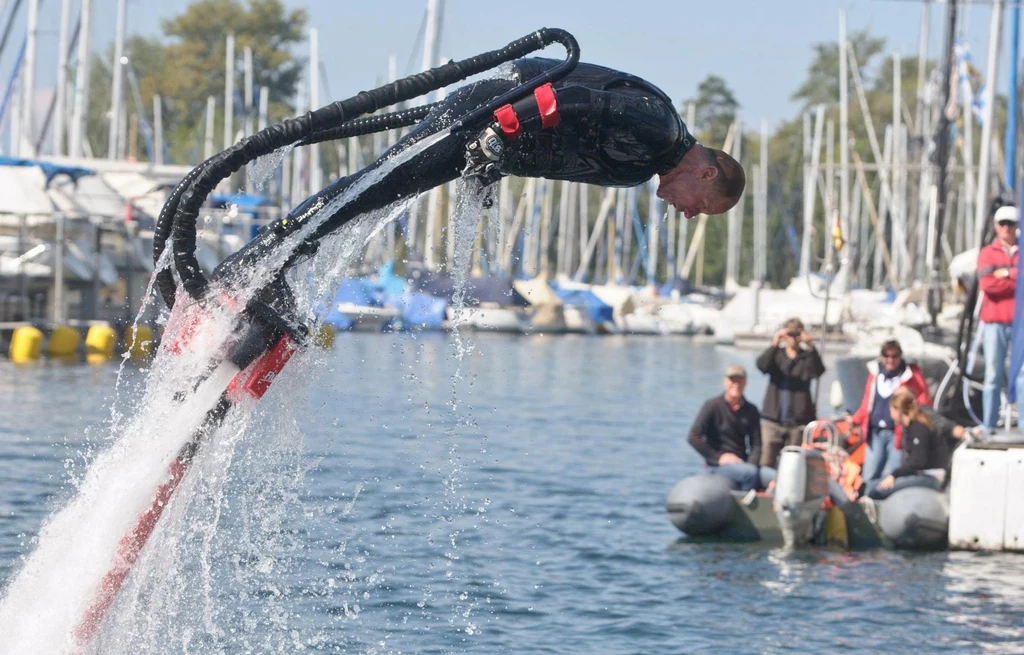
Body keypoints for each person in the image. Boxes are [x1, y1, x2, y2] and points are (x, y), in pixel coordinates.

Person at [217, 57, 745, 276]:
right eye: (704, 209)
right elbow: (573, 100)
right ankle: (255, 264)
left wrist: (492, 169)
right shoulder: (660, 127)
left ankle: (277, 266)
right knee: (374, 185)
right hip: (491, 107)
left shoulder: (636, 170)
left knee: (378, 196)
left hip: (491, 134)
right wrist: (500, 132)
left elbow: (553, 156)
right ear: (705, 175)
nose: (691, 217)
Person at [850, 339, 932, 491]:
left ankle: (888, 505)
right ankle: (867, 502)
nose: (890, 360)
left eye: (894, 356)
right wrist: (855, 419)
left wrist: (917, 422)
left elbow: (924, 402)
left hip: (897, 433)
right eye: (886, 356)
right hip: (875, 433)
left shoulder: (910, 376)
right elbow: (867, 402)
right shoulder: (875, 374)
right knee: (870, 474)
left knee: (893, 475)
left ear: (900, 356)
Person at [687, 365, 775, 492]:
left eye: (740, 380)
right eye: (732, 380)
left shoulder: (751, 410)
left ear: (745, 382)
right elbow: (693, 437)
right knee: (749, 474)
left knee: (776, 477)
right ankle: (745, 506)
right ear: (725, 382)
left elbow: (757, 445)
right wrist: (718, 458)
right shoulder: (712, 406)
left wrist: (750, 465)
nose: (736, 384)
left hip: (742, 463)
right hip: (717, 465)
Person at [976, 204, 1024, 430]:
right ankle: (989, 425)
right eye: (1003, 224)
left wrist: (1004, 273)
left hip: (1020, 323)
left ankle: (1023, 425)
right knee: (993, 376)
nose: (1006, 228)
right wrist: (1014, 275)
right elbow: (987, 285)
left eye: (1011, 224)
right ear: (996, 226)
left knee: (1022, 375)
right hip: (994, 323)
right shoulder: (987, 253)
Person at [756, 317, 826, 467]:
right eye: (790, 334)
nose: (793, 339)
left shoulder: (807, 358)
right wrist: (775, 343)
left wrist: (811, 347)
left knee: (793, 464)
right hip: (773, 420)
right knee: (767, 461)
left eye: (796, 335)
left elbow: (818, 371)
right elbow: (761, 365)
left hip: (798, 421)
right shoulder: (777, 355)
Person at [866, 392, 949, 499]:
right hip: (921, 474)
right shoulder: (909, 427)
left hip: (932, 476)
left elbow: (918, 462)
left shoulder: (919, 428)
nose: (890, 414)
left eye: (891, 410)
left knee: (877, 490)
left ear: (898, 411)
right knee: (870, 485)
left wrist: (895, 475)